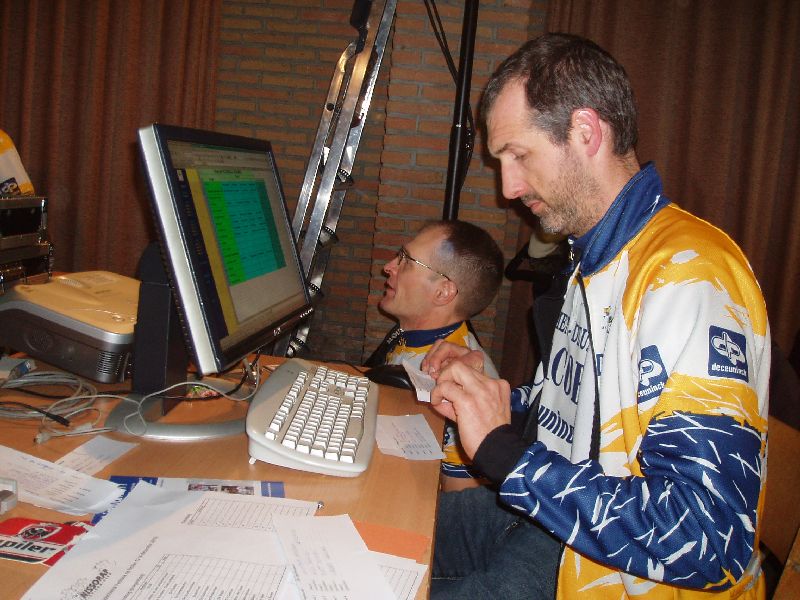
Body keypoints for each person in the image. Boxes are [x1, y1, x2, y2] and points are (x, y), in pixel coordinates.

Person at [423, 33, 770, 599]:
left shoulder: (689, 278)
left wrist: (506, 455)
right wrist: (492, 398)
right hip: (559, 528)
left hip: (619, 578)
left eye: (518, 155)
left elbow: (711, 537)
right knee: (382, 533)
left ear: (585, 132)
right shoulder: (596, 258)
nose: (507, 187)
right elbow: (583, 419)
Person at [366, 220, 504, 490]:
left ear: (442, 292)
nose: (389, 267)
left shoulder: (458, 381)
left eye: (405, 261)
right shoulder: (416, 337)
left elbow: (461, 504)